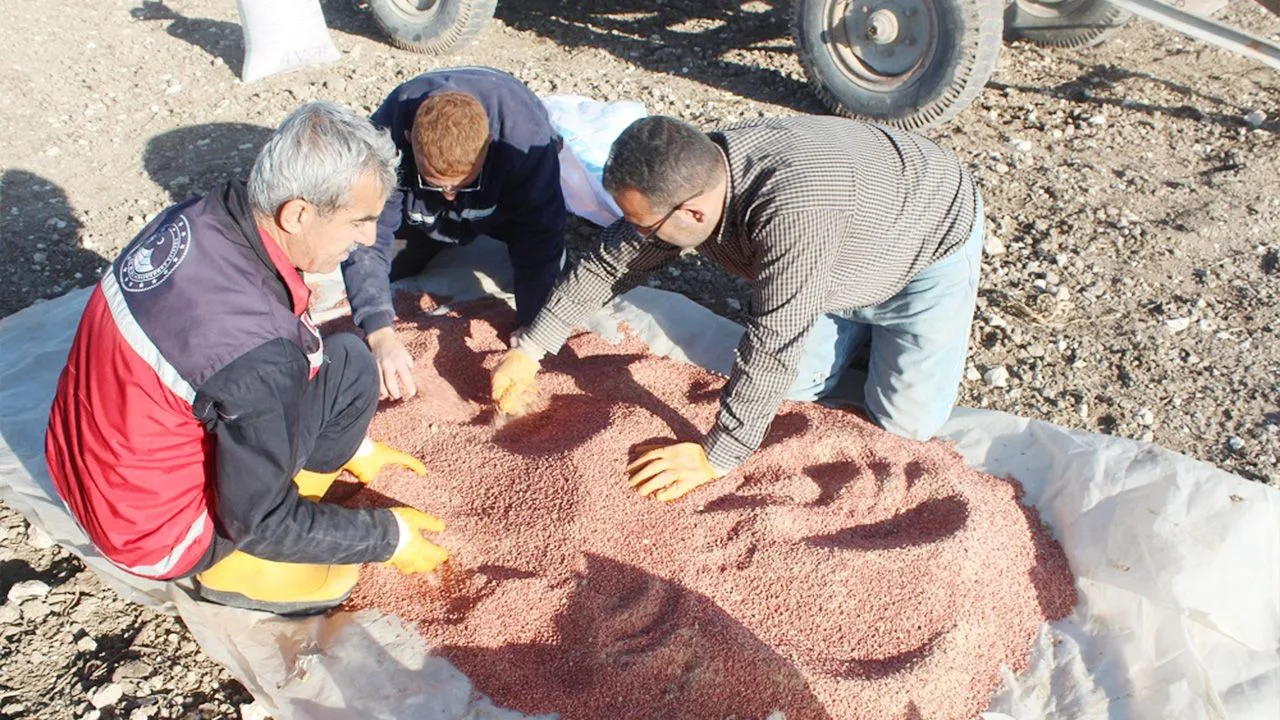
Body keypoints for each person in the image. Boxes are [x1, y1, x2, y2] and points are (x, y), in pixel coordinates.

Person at [45, 101, 449, 615]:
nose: (369, 239)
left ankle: (303, 483)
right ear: (297, 213)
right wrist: (390, 538)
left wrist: (355, 449)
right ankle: (223, 566)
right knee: (331, 580)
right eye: (359, 222)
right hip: (151, 529)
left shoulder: (200, 215)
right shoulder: (257, 351)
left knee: (350, 362)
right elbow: (257, 518)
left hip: (82, 459)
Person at [492, 115, 985, 502]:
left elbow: (774, 341)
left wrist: (718, 456)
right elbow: (609, 260)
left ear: (693, 213)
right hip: (834, 255)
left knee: (906, 425)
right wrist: (532, 347)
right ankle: (852, 331)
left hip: (921, 248)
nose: (637, 234)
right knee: (793, 389)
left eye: (645, 226)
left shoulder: (792, 213)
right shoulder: (691, 171)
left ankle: (884, 333)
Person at [342, 66, 567, 402]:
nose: (449, 195)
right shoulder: (383, 142)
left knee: (549, 272)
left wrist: (532, 330)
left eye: (460, 184)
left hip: (502, 209)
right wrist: (380, 332)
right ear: (407, 139)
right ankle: (435, 226)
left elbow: (541, 236)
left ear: (489, 143)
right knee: (369, 263)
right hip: (420, 216)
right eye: (437, 183)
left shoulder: (525, 141)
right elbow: (366, 235)